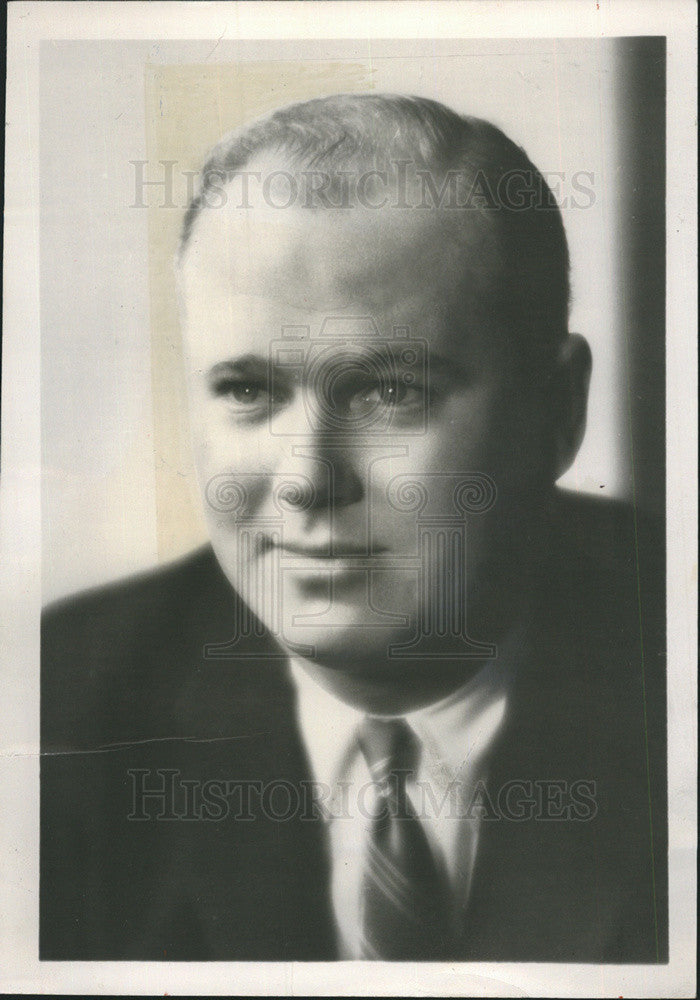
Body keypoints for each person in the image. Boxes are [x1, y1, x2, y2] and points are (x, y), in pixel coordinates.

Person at [40, 93, 667, 962]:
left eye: (389, 392)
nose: (306, 480)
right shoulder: (62, 716)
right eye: (249, 391)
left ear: (557, 412)